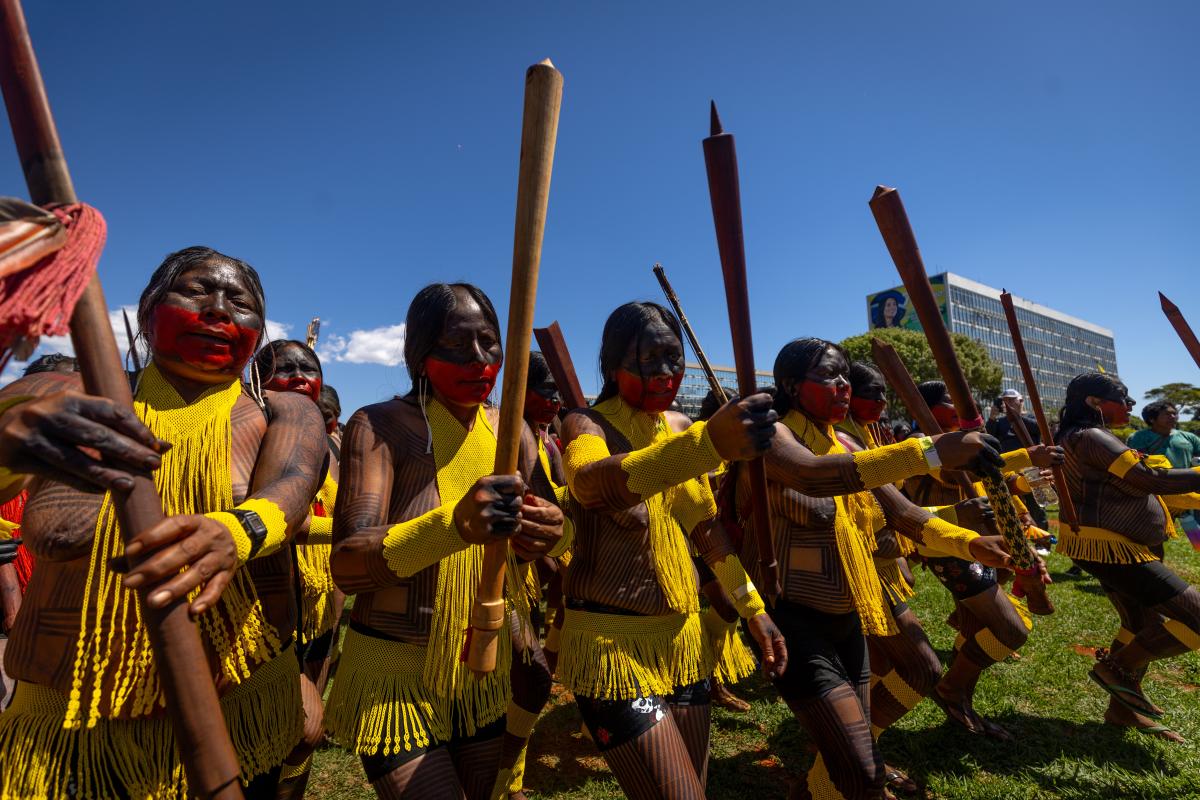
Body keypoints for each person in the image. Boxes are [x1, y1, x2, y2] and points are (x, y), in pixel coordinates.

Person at [0, 246, 327, 798]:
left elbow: (291, 486)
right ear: (149, 309)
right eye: (197, 291)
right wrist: (10, 447)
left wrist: (238, 530)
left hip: (236, 704)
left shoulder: (282, 411)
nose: (219, 310)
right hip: (70, 720)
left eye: (239, 302)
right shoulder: (62, 395)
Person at [731, 339, 1011, 800]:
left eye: (845, 375)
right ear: (790, 385)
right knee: (862, 771)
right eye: (828, 376)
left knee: (858, 755)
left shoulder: (847, 442)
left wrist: (972, 543)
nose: (843, 385)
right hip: (790, 618)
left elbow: (904, 514)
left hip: (850, 613)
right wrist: (933, 451)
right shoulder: (774, 438)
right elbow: (814, 474)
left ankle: (819, 789)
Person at [325, 283, 565, 799]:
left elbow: (547, 528)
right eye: (457, 344)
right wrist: (451, 527)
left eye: (490, 342)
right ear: (419, 352)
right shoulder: (381, 425)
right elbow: (346, 564)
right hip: (396, 677)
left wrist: (548, 531)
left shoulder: (513, 430)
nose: (479, 359)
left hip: (480, 671)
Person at [558, 301, 787, 799]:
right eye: (649, 359)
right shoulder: (585, 424)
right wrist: (708, 447)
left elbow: (706, 529)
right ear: (614, 365)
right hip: (610, 647)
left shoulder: (680, 427)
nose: (666, 373)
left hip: (684, 645)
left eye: (674, 358)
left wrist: (753, 609)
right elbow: (589, 484)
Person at [904, 380, 1060, 741]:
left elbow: (991, 476)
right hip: (944, 545)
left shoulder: (959, 438)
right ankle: (952, 689)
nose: (959, 408)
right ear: (925, 411)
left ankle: (962, 691)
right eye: (948, 402)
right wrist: (1028, 454)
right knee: (1009, 629)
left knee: (979, 622)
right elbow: (956, 468)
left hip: (982, 540)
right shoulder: (917, 445)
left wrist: (1024, 479)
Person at [1054, 374, 1200, 741]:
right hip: (1112, 548)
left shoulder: (1081, 436)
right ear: (1093, 402)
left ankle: (1122, 710)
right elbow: (1149, 480)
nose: (1131, 405)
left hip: (1106, 544)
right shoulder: (1090, 437)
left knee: (1141, 625)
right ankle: (1116, 667)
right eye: (1122, 398)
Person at [836, 361, 941, 796]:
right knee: (920, 668)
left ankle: (862, 746)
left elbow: (890, 501)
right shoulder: (839, 439)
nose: (880, 402)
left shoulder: (868, 433)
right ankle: (848, 753)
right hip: (854, 573)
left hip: (884, 561)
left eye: (884, 395)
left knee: (879, 666)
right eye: (871, 393)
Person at [253, 339, 342, 800]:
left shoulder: (332, 447)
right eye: (283, 368)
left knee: (308, 723)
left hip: (321, 603)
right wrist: (343, 529)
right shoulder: (251, 427)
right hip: (262, 614)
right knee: (290, 726)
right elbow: (282, 516)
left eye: (309, 367)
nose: (299, 375)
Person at [498, 350, 566, 800]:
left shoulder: (549, 441)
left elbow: (561, 497)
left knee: (527, 680)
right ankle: (504, 779)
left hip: (524, 578)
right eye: (547, 390)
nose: (555, 400)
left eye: (559, 392)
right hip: (494, 577)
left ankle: (508, 776)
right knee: (530, 679)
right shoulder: (512, 432)